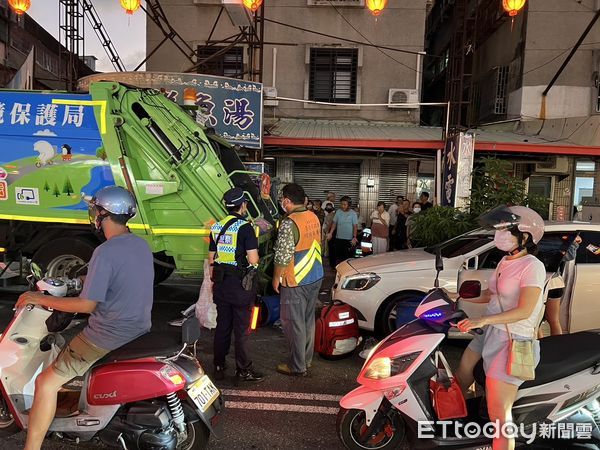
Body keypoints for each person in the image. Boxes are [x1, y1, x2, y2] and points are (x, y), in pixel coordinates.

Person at [16, 186, 153, 450]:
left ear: (104, 214)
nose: (93, 214)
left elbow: (87, 305)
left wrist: (38, 298)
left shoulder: (105, 252)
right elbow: (121, 280)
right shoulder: (139, 244)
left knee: (46, 382)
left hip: (107, 333)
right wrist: (81, 281)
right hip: (137, 327)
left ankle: (30, 447)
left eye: (96, 209)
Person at [454, 206, 546, 450]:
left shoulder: (532, 266)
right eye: (499, 229)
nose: (499, 235)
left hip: (514, 339)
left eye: (506, 230)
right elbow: (492, 295)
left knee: (499, 414)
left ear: (524, 236)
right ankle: (455, 427)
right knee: (462, 372)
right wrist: (455, 296)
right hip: (492, 332)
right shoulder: (505, 260)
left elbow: (525, 310)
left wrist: (481, 321)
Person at [210, 187, 263, 383]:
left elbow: (211, 259)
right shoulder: (245, 227)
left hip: (221, 284)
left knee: (223, 325)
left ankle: (218, 365)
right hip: (240, 286)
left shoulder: (216, 227)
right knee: (241, 329)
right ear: (243, 205)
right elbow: (253, 258)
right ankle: (243, 370)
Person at [273, 183, 324, 376]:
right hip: (315, 276)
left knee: (294, 324)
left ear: (287, 201)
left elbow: (282, 256)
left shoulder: (289, 222)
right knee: (307, 320)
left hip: (296, 280)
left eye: (281, 200)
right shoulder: (313, 216)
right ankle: (306, 360)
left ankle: (297, 366)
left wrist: (276, 278)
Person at [327, 196, 359, 266]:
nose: (343, 206)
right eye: (341, 204)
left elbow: (355, 226)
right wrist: (331, 233)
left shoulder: (353, 213)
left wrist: (354, 237)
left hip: (349, 239)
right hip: (339, 238)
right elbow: (334, 223)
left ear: (349, 205)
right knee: (338, 256)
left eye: (345, 204)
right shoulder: (338, 212)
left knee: (347, 257)